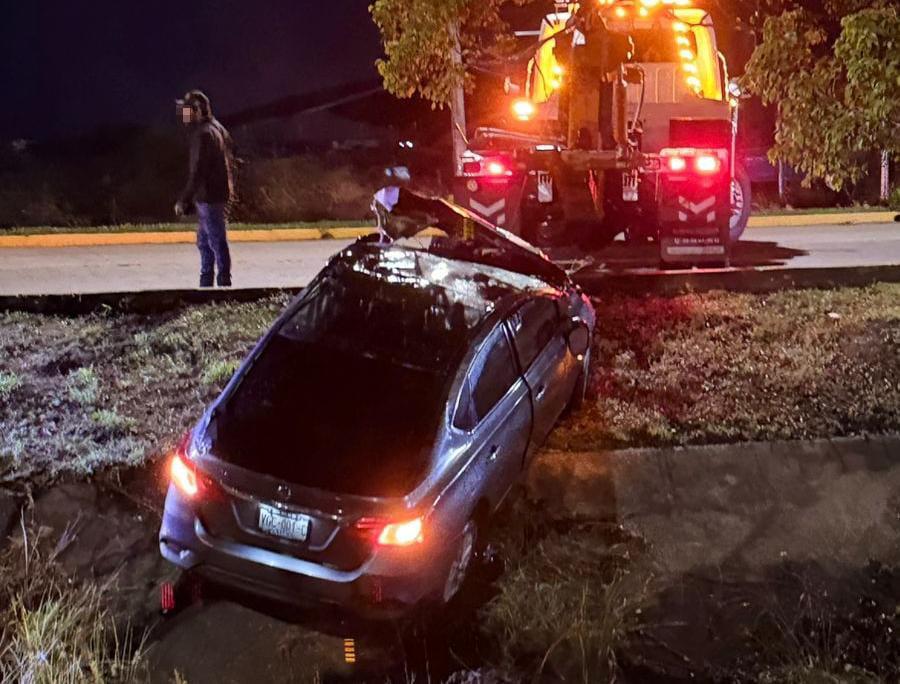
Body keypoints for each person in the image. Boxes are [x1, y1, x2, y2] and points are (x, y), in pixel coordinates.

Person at [174, 90, 235, 287]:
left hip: (209, 195)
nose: (183, 114)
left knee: (214, 239)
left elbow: (198, 170)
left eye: (187, 110)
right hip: (214, 193)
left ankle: (222, 282)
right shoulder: (216, 129)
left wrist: (185, 198)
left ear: (197, 111)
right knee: (205, 240)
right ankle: (207, 281)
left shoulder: (204, 134)